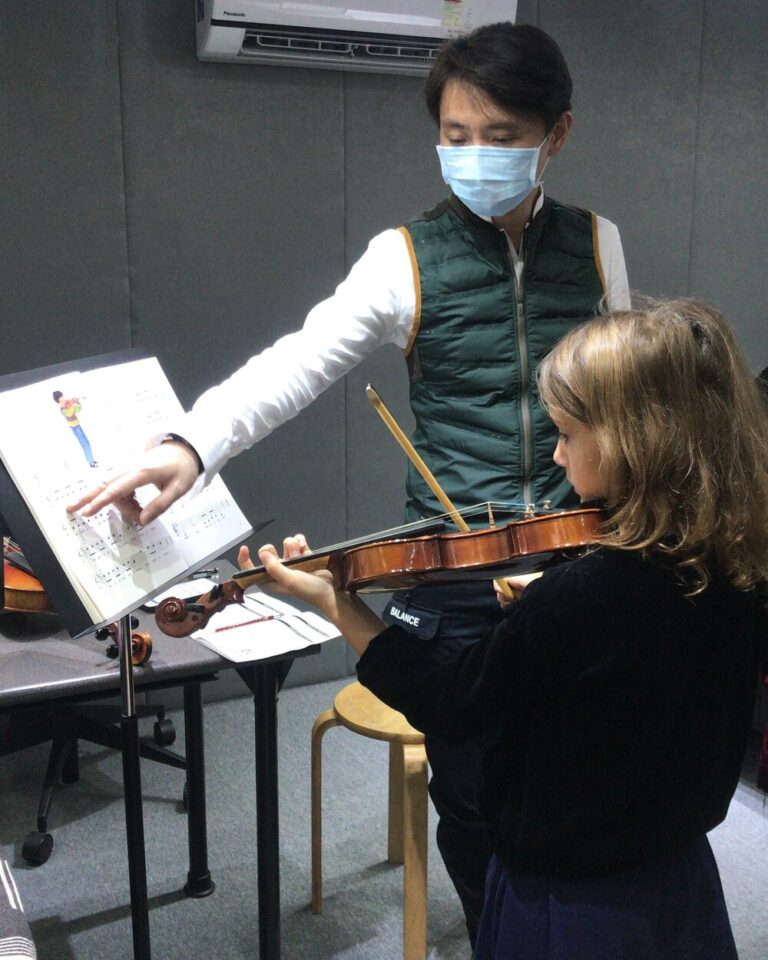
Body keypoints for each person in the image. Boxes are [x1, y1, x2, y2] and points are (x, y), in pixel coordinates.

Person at [68, 22, 630, 944]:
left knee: (581, 772)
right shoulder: (403, 255)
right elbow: (293, 364)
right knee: (475, 796)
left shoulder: (600, 245)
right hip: (455, 568)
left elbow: (630, 400)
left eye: (499, 136)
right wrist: (189, 445)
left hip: (581, 554)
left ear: (555, 135)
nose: (472, 155)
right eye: (454, 135)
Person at [246, 299, 768, 960]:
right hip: (679, 881)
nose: (555, 453)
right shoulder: (735, 559)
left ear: (636, 441)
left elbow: (455, 703)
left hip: (571, 905)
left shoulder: (580, 597)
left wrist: (341, 606)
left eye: (568, 435)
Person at [52, 390, 97, 467]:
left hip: (78, 425)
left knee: (86, 443)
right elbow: (70, 413)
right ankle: (91, 462)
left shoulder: (67, 404)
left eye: (63, 396)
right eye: (62, 397)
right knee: (85, 444)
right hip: (75, 428)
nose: (64, 398)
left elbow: (77, 410)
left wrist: (78, 403)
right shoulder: (63, 409)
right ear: (58, 399)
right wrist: (72, 403)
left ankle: (91, 460)